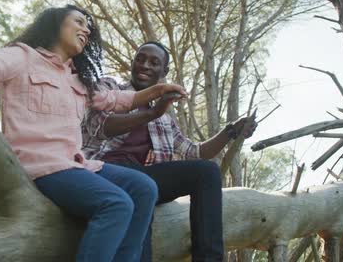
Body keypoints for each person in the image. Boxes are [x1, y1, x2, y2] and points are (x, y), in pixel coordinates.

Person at [0, 6, 188, 262]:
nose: (86, 29)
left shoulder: (78, 79)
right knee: (116, 204)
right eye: (79, 22)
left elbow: (116, 99)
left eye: (89, 27)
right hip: (41, 167)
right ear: (56, 23)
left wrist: (157, 91)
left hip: (76, 165)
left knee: (144, 188)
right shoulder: (22, 57)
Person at [82, 41, 257, 262]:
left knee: (206, 172)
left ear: (164, 72)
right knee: (140, 190)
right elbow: (101, 126)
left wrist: (231, 130)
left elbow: (196, 152)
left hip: (145, 178)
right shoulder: (109, 88)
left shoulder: (165, 121)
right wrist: (152, 112)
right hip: (103, 171)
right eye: (140, 59)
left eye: (154, 62)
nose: (145, 65)